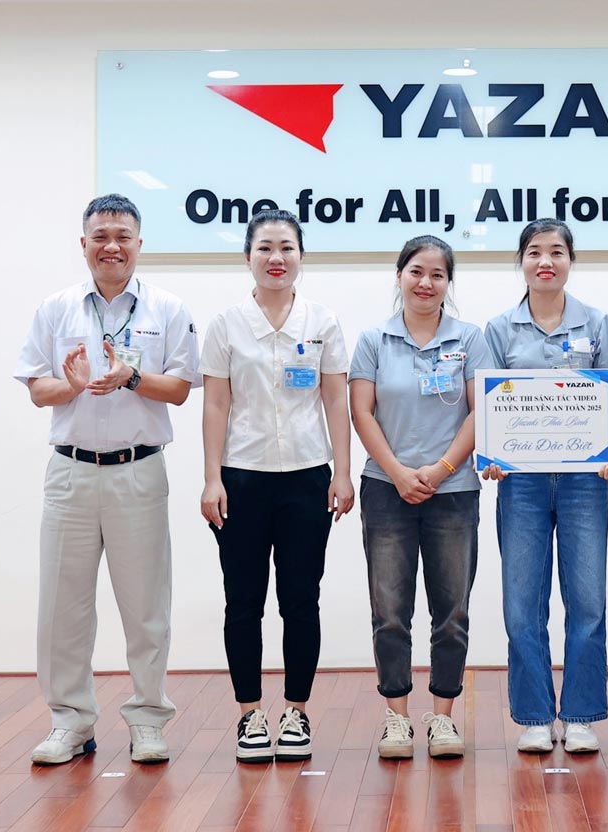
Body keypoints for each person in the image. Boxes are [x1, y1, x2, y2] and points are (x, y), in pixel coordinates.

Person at [14, 194, 200, 765]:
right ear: (84, 244)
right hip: (70, 472)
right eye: (101, 236)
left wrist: (131, 376)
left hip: (138, 472)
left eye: (122, 235)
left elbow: (181, 387)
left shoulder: (166, 309)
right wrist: (71, 386)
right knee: (62, 606)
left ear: (139, 244)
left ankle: (147, 718)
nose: (111, 246)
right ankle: (70, 721)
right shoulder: (56, 308)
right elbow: (36, 387)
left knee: (145, 606)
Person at [199, 209, 353, 763]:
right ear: (248, 257)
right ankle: (249, 715)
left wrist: (342, 470)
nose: (276, 258)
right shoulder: (225, 325)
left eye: (286, 247)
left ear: (301, 257)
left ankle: (296, 711)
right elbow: (215, 403)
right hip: (242, 477)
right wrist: (212, 478)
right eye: (265, 247)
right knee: (242, 601)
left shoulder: (323, 322)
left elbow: (336, 398)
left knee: (300, 600)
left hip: (308, 477)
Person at [483, 219, 608, 755]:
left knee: (587, 599)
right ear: (520, 261)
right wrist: (492, 456)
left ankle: (583, 712)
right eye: (535, 252)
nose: (546, 261)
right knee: (523, 602)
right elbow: (490, 407)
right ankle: (536, 714)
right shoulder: (499, 329)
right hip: (520, 483)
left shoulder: (596, 323)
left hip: (586, 481)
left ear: (571, 261)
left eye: (557, 252)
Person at [349, 235, 491, 759]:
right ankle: (397, 719)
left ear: (448, 283)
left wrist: (441, 468)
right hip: (387, 490)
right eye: (416, 271)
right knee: (389, 609)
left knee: (452, 610)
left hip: (453, 490)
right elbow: (361, 412)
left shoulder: (470, 339)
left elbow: (482, 411)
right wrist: (400, 472)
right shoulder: (373, 340)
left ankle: (444, 718)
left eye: (437, 274)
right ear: (400, 275)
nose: (426, 282)